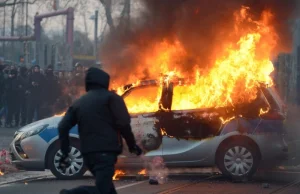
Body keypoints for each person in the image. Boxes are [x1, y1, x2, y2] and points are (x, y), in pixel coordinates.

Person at [58, 67, 142, 194]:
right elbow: (124, 124)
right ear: (104, 82)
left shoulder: (79, 103)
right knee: (103, 191)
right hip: (106, 153)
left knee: (108, 190)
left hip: (88, 154)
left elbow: (62, 127)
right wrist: (132, 145)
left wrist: (65, 152)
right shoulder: (112, 98)